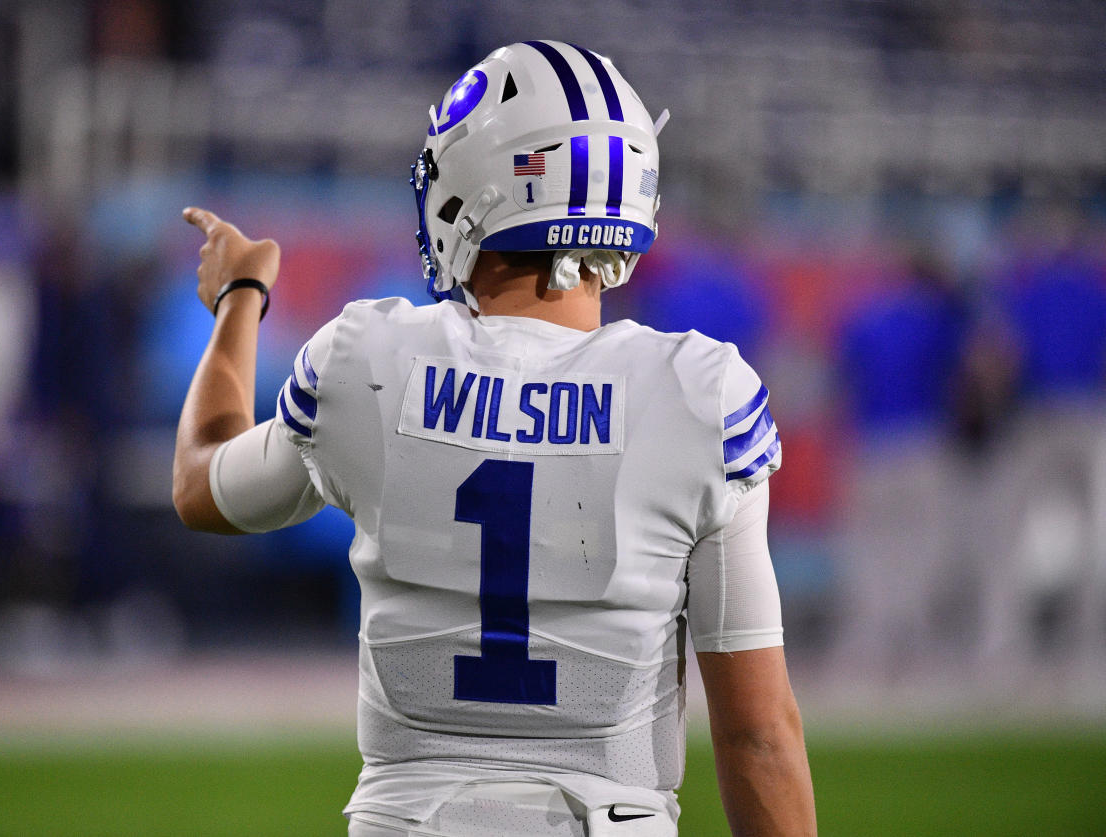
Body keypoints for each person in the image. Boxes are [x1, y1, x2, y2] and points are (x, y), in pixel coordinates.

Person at [174, 40, 815, 837]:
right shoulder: (698, 392)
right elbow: (758, 733)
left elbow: (202, 486)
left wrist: (240, 297)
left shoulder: (368, 361)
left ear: (477, 188)